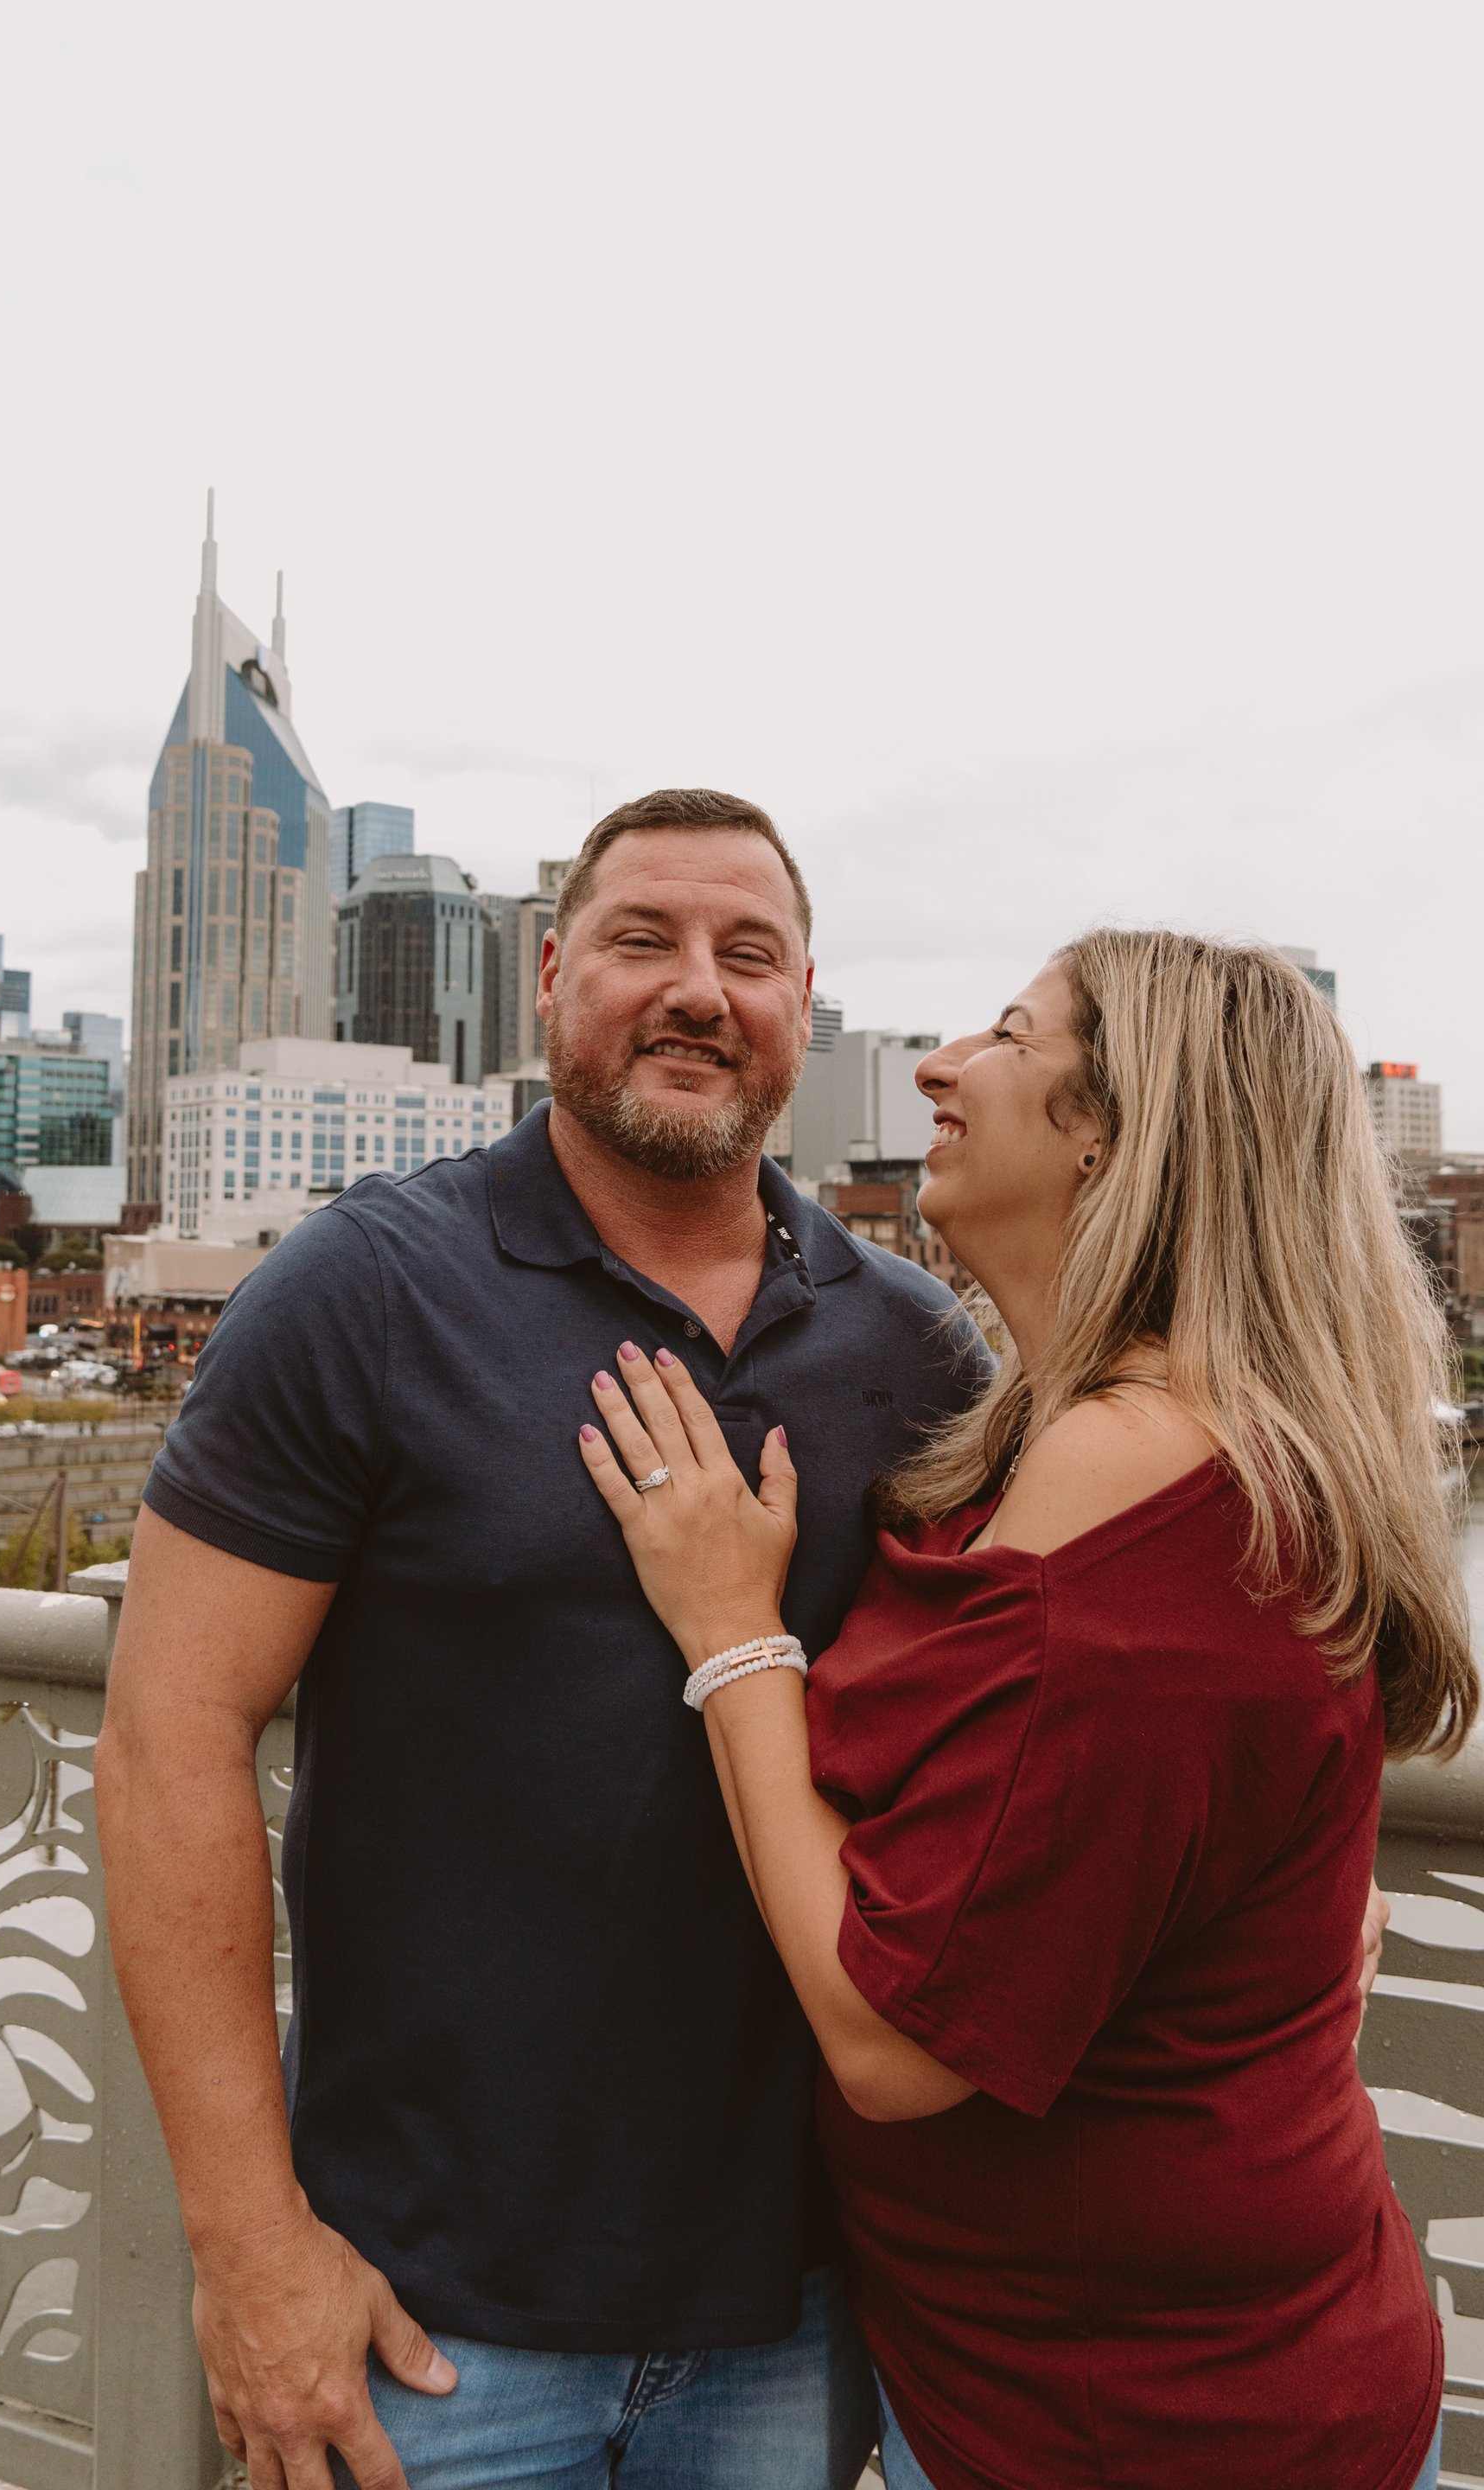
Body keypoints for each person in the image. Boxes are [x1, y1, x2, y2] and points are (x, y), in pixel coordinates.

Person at [94, 789, 990, 2490]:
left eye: (750, 954)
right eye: (646, 940)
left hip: (797, 2312)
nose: (700, 989)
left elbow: (1033, 1717)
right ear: (553, 975)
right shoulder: (361, 1290)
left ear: (806, 1004)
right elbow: (166, 1743)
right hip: (421, 2320)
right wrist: (251, 2245)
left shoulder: (919, 1349)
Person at [577, 929, 1471, 2490]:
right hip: (1026, 2364)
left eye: (1005, 1033)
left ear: (1112, 1131)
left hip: (1153, 2425)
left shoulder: (1139, 1491)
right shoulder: (1083, 1443)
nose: (938, 1065)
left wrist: (732, 1635)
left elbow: (892, 2046)